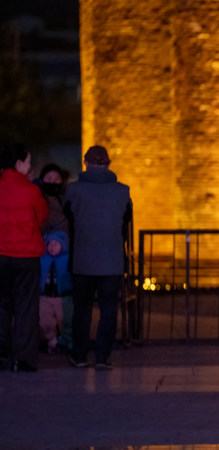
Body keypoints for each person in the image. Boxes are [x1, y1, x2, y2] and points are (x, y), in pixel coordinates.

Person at [63, 145, 132, 370]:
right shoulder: (123, 192)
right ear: (108, 164)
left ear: (85, 163)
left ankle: (80, 355)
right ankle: (102, 357)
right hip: (111, 261)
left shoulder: (73, 191)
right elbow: (125, 224)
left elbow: (67, 221)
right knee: (109, 310)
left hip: (82, 259)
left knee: (82, 310)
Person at [0, 144, 49, 372]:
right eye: (28, 162)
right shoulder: (31, 191)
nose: (30, 167)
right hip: (26, 255)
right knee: (26, 307)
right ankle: (23, 359)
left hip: (1, 254)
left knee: (2, 306)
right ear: (18, 164)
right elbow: (41, 218)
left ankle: (1, 355)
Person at [39, 231, 72, 353]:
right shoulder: (43, 259)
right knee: (45, 319)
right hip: (45, 295)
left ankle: (67, 341)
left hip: (62, 296)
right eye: (50, 244)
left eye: (56, 244)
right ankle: (51, 339)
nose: (52, 246)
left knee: (65, 319)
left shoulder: (67, 259)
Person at [36, 164, 70, 236]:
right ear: (41, 181)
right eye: (49, 178)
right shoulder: (37, 200)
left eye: (57, 179)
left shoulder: (66, 199)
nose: (53, 182)